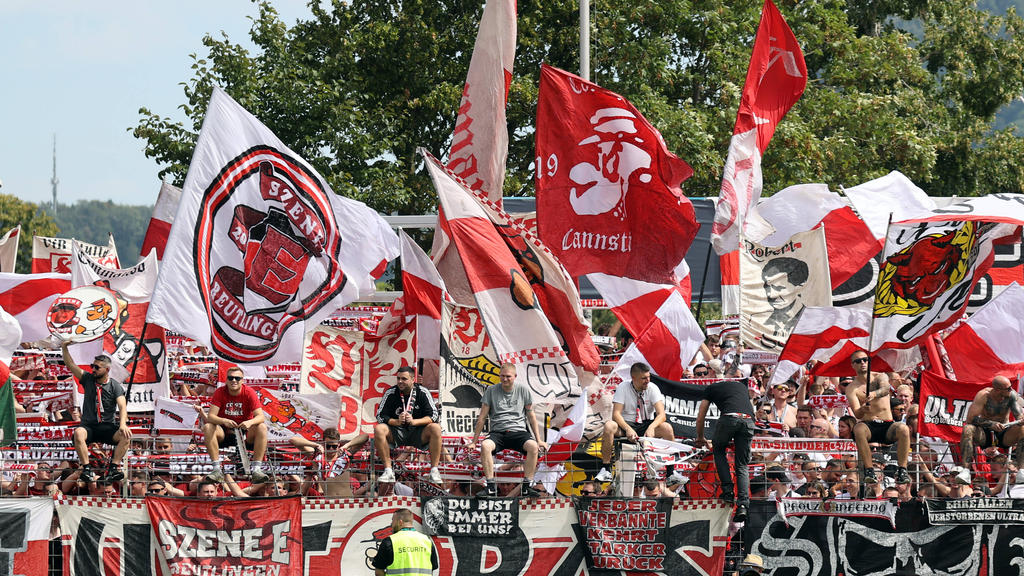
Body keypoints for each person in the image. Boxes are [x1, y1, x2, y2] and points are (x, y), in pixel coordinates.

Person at [468, 363, 547, 497]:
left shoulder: (523, 390)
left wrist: (539, 440)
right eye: (502, 376)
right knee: (485, 445)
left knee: (533, 446)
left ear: (515, 377)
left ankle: (527, 485)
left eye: (508, 377)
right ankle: (491, 486)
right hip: (497, 432)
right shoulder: (491, 391)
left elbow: (531, 416)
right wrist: (474, 441)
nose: (504, 379)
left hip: (519, 432)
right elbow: (482, 417)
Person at [60, 342, 131, 483]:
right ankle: (86, 468)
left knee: (126, 436)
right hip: (89, 426)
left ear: (107, 369)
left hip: (106, 427)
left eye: (97, 367)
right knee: (78, 432)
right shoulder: (87, 379)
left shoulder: (115, 386)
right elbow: (71, 365)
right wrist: (64, 348)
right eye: (93, 366)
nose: (93, 369)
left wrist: (122, 424)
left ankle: (114, 468)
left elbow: (122, 406)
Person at [596, 362, 675, 481]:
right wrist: (627, 428)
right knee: (609, 426)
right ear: (633, 378)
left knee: (667, 428)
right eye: (644, 378)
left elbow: (661, 414)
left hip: (646, 423)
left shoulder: (652, 387)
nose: (647, 380)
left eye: (648, 377)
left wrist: (652, 427)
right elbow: (616, 414)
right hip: (626, 424)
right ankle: (606, 469)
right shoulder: (623, 387)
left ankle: (671, 472)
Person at [696, 378, 755, 522]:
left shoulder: (710, 389)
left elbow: (700, 417)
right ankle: (743, 505)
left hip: (729, 418)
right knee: (742, 464)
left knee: (719, 450)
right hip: (749, 420)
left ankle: (727, 491)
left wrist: (700, 437)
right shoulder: (741, 387)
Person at [374, 366, 443, 484]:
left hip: (418, 432)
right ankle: (388, 470)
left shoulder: (423, 392)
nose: (400, 381)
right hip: (396, 432)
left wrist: (414, 421)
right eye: (398, 378)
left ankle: (434, 470)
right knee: (379, 429)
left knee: (436, 428)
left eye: (404, 379)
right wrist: (395, 421)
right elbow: (380, 415)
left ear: (412, 379)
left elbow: (434, 416)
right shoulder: (391, 392)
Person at [846, 359, 911, 485]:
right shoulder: (852, 387)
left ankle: (902, 469)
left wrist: (873, 394)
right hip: (869, 425)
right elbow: (857, 413)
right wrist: (862, 409)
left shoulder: (880, 376)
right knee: (858, 428)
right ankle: (869, 470)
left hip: (887, 424)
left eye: (865, 360)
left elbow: (885, 389)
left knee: (903, 428)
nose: (863, 363)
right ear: (853, 365)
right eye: (858, 361)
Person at [203, 367, 269, 484]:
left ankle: (257, 470)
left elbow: (261, 417)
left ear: (242, 380)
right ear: (226, 380)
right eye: (231, 378)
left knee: (262, 427)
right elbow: (211, 417)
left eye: (237, 378)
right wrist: (224, 421)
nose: (234, 380)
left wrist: (249, 422)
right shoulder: (220, 392)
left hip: (245, 434)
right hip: (225, 432)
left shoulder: (249, 392)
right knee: (208, 427)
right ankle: (216, 469)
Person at [960, 375, 1024, 470]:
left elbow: (1018, 414)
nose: (1011, 389)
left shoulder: (1011, 395)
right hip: (985, 433)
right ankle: (965, 470)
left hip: (1004, 433)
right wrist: (991, 424)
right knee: (967, 429)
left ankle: (1021, 470)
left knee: (1023, 429)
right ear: (998, 390)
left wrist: (1021, 420)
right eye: (1008, 388)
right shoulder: (983, 395)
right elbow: (970, 419)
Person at [371, 508, 438, 576]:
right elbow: (432, 569)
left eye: (393, 520)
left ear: (400, 522)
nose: (391, 524)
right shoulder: (427, 541)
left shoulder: (389, 541)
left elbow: (378, 572)